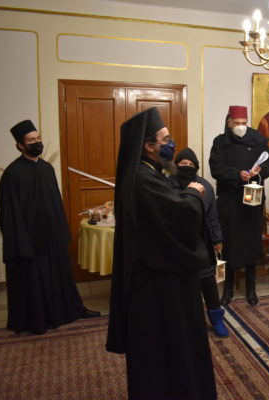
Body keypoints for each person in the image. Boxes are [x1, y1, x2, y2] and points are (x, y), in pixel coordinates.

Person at [106, 107, 216, 400]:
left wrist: (185, 193)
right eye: (165, 139)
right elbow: (178, 215)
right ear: (148, 146)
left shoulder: (152, 172)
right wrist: (193, 193)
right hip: (159, 283)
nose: (171, 143)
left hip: (161, 274)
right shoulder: (143, 178)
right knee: (167, 343)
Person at [0, 119, 100, 335]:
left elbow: (56, 204)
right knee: (34, 282)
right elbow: (10, 215)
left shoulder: (46, 169)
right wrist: (22, 245)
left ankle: (70, 311)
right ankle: (38, 319)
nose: (37, 142)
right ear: (20, 145)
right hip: (29, 242)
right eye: (31, 140)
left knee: (60, 277)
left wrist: (61, 233)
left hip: (52, 238)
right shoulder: (12, 174)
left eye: (38, 138)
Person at [209, 105, 269, 306]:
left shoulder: (258, 139)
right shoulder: (220, 142)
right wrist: (237, 175)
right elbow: (215, 169)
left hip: (251, 201)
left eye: (244, 123)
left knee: (251, 245)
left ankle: (251, 290)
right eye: (236, 123)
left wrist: (259, 171)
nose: (240, 126)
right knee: (229, 245)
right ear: (229, 122)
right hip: (229, 201)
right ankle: (228, 290)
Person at [169, 147, 229, 338]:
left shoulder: (205, 186)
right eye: (183, 163)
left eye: (190, 164)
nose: (186, 166)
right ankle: (184, 321)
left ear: (196, 166)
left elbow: (212, 216)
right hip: (176, 242)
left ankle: (216, 319)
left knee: (208, 281)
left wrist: (217, 238)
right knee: (182, 285)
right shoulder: (167, 184)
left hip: (201, 240)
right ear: (176, 165)